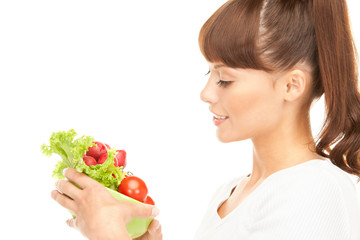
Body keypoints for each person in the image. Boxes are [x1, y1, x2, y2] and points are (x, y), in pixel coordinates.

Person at [52, 0, 360, 239]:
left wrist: (110, 236)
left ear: (291, 85)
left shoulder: (314, 191)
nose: (206, 93)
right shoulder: (231, 193)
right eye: (208, 73)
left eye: (224, 79)